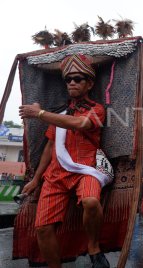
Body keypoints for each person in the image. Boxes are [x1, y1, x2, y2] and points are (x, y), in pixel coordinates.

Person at [19, 54, 109, 268]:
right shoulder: (59, 113)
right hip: (56, 174)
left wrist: (40, 113)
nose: (72, 83)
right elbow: (50, 148)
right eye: (68, 79)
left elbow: (80, 124)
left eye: (78, 79)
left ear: (90, 84)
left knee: (91, 201)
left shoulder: (97, 110)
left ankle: (94, 247)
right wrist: (37, 179)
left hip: (87, 170)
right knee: (42, 228)